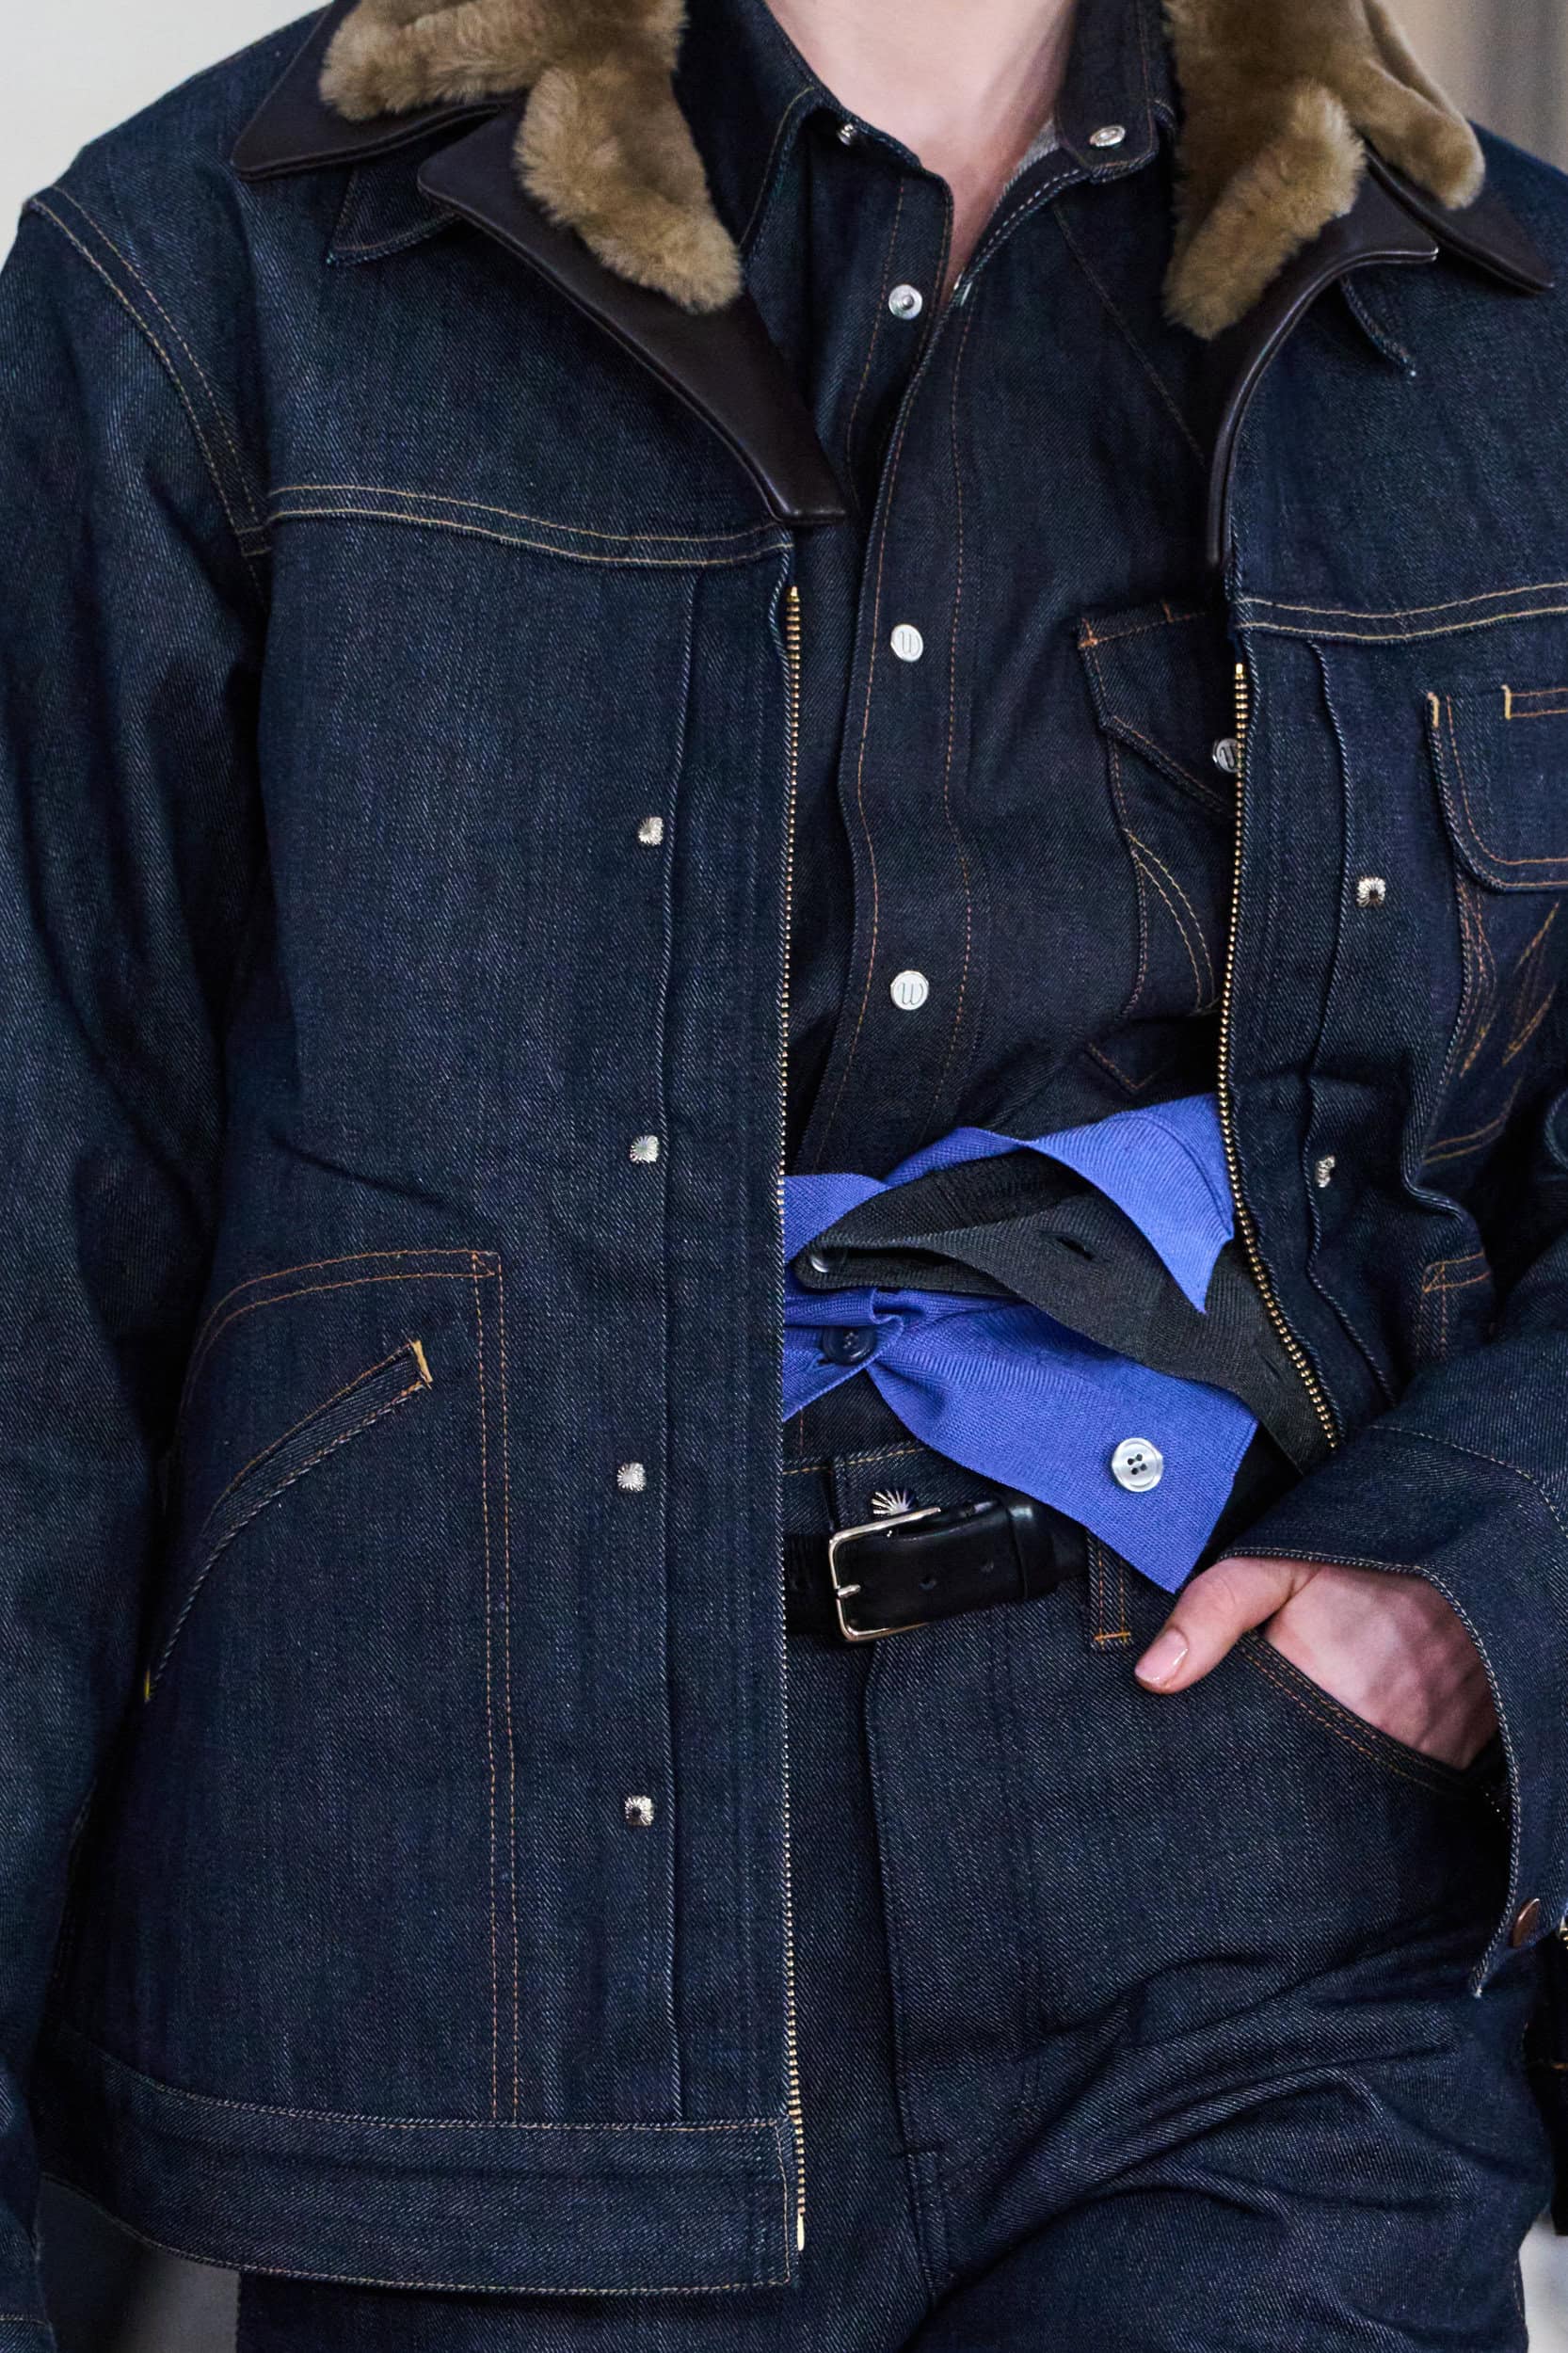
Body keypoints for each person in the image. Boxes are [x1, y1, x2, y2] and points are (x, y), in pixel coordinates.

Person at [3, 0, 1567, 2344]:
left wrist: (1471, 1587)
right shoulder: (205, 275)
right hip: (503, 1971)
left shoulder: (1499, 316)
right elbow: (29, 1289)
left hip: (1253, 1924)